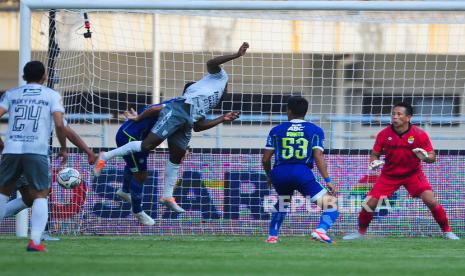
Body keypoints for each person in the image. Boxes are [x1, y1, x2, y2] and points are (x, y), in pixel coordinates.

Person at [93, 42, 249, 212]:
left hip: (188, 121)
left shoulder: (212, 101)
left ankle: (167, 195)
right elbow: (211, 63)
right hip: (181, 109)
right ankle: (105, 156)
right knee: (147, 145)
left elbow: (198, 126)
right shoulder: (219, 78)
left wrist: (222, 118)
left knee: (177, 157)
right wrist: (236, 55)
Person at [113, 92, 240, 225]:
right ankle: (138, 211)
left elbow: (197, 126)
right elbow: (156, 110)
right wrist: (139, 117)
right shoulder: (178, 105)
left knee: (136, 166)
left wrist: (222, 118)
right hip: (129, 136)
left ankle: (125, 190)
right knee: (141, 175)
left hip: (138, 136)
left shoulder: (187, 109)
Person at [343, 102, 459, 240]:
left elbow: (432, 157)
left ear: (408, 117)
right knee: (369, 204)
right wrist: (373, 163)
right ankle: (360, 233)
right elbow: (375, 154)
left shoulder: (419, 134)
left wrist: (425, 157)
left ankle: (447, 232)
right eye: (393, 114)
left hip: (413, 174)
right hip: (389, 175)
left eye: (399, 114)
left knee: (431, 201)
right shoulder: (383, 134)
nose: (395, 117)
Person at [0, 60, 68, 252]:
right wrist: (63, 148)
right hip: (36, 149)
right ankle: (35, 242)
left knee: (3, 192)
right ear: (44, 76)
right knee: (40, 195)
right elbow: (59, 124)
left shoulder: (12, 94)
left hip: (11, 148)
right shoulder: (51, 95)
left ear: (24, 76)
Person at [0, 123, 97, 241]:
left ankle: (40, 233)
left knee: (29, 198)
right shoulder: (47, 105)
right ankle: (40, 234)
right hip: (34, 155)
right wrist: (80, 150)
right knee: (40, 193)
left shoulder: (14, 104)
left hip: (11, 153)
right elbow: (64, 128)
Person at [262, 96, 339, 244]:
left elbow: (265, 159)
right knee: (331, 205)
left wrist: (269, 176)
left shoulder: (276, 130)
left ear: (289, 111)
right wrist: (328, 180)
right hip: (301, 172)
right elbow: (318, 156)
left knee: (283, 201)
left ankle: (272, 236)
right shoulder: (315, 130)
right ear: (305, 111)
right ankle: (320, 230)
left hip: (279, 173)